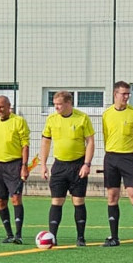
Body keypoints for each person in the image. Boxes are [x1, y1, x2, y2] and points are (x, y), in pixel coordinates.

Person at [39, 90, 95, 247]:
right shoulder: (51, 120)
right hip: (59, 165)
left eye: (59, 104)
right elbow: (45, 142)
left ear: (69, 103)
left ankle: (81, 237)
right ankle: (52, 237)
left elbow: (90, 142)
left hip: (78, 165)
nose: (56, 107)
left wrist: (87, 164)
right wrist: (43, 164)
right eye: (54, 104)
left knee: (78, 201)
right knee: (56, 201)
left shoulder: (82, 118)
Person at [101, 80, 133, 248]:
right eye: (123, 93)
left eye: (128, 93)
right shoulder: (107, 114)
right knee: (112, 196)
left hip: (129, 158)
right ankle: (114, 237)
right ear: (115, 94)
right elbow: (106, 136)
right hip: (111, 158)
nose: (126, 96)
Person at [0, 95, 30, 244]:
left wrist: (24, 166)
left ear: (9, 106)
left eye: (2, 107)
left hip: (14, 165)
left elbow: (25, 145)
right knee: (1, 202)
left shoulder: (19, 121)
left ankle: (18, 234)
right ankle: (9, 234)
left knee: (16, 198)